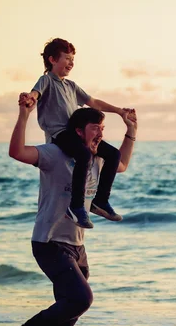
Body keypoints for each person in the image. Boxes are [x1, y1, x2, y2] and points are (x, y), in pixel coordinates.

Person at [8, 100, 137, 326]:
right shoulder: (55, 154)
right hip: (50, 241)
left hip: (77, 246)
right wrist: (24, 115)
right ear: (79, 131)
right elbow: (16, 152)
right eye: (95, 128)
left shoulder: (96, 159)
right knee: (81, 299)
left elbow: (123, 164)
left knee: (69, 314)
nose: (101, 134)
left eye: (103, 128)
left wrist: (131, 131)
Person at [19, 38, 133, 229]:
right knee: (84, 154)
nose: (71, 63)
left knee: (114, 155)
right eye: (67, 58)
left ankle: (100, 201)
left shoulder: (71, 86)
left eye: (73, 59)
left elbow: (94, 102)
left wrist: (120, 111)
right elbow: (36, 94)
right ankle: (76, 206)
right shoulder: (46, 80)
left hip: (77, 133)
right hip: (60, 133)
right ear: (52, 59)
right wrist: (30, 98)